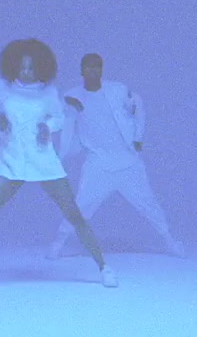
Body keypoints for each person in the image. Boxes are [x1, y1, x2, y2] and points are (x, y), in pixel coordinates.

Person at [0, 39, 116, 288]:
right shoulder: (3, 88)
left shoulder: (48, 92)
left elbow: (59, 118)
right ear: (13, 66)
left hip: (43, 160)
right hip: (12, 161)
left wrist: (47, 126)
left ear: (41, 68)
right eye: (22, 67)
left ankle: (104, 268)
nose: (26, 72)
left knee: (74, 215)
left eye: (31, 68)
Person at [45, 53, 184, 258]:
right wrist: (68, 105)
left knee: (148, 204)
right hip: (98, 164)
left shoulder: (117, 90)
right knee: (81, 205)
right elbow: (57, 114)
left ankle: (171, 242)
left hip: (128, 162)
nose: (93, 71)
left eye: (97, 66)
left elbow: (137, 106)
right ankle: (58, 243)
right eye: (88, 67)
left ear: (102, 70)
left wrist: (138, 137)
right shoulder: (72, 96)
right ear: (81, 70)